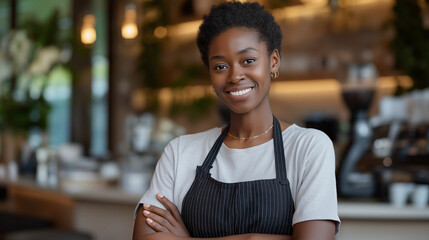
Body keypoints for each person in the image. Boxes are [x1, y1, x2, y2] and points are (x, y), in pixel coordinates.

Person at [133, 1, 340, 240]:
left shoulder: (308, 147)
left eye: (248, 60)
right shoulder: (180, 152)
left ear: (273, 61)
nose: (234, 76)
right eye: (220, 66)